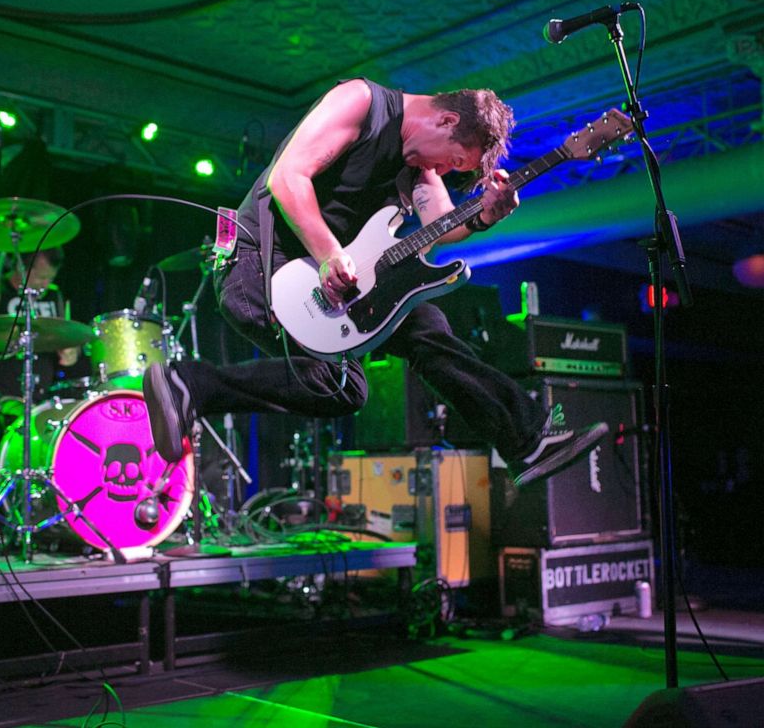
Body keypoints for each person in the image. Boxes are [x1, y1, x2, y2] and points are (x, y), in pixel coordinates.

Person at [143, 78, 607, 487]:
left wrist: (485, 215)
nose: (444, 172)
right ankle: (190, 383)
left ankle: (526, 439)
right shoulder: (360, 102)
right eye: (453, 162)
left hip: (335, 284)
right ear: (446, 120)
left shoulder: (419, 166)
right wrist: (328, 255)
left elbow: (442, 225)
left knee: (409, 337)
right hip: (259, 266)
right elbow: (288, 177)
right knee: (345, 376)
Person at [0, 247, 84, 406]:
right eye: (41, 277)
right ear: (21, 268)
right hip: (0, 395)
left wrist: (72, 350)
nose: (46, 284)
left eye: (51, 278)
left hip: (43, 394)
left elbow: (68, 335)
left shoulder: (54, 294)